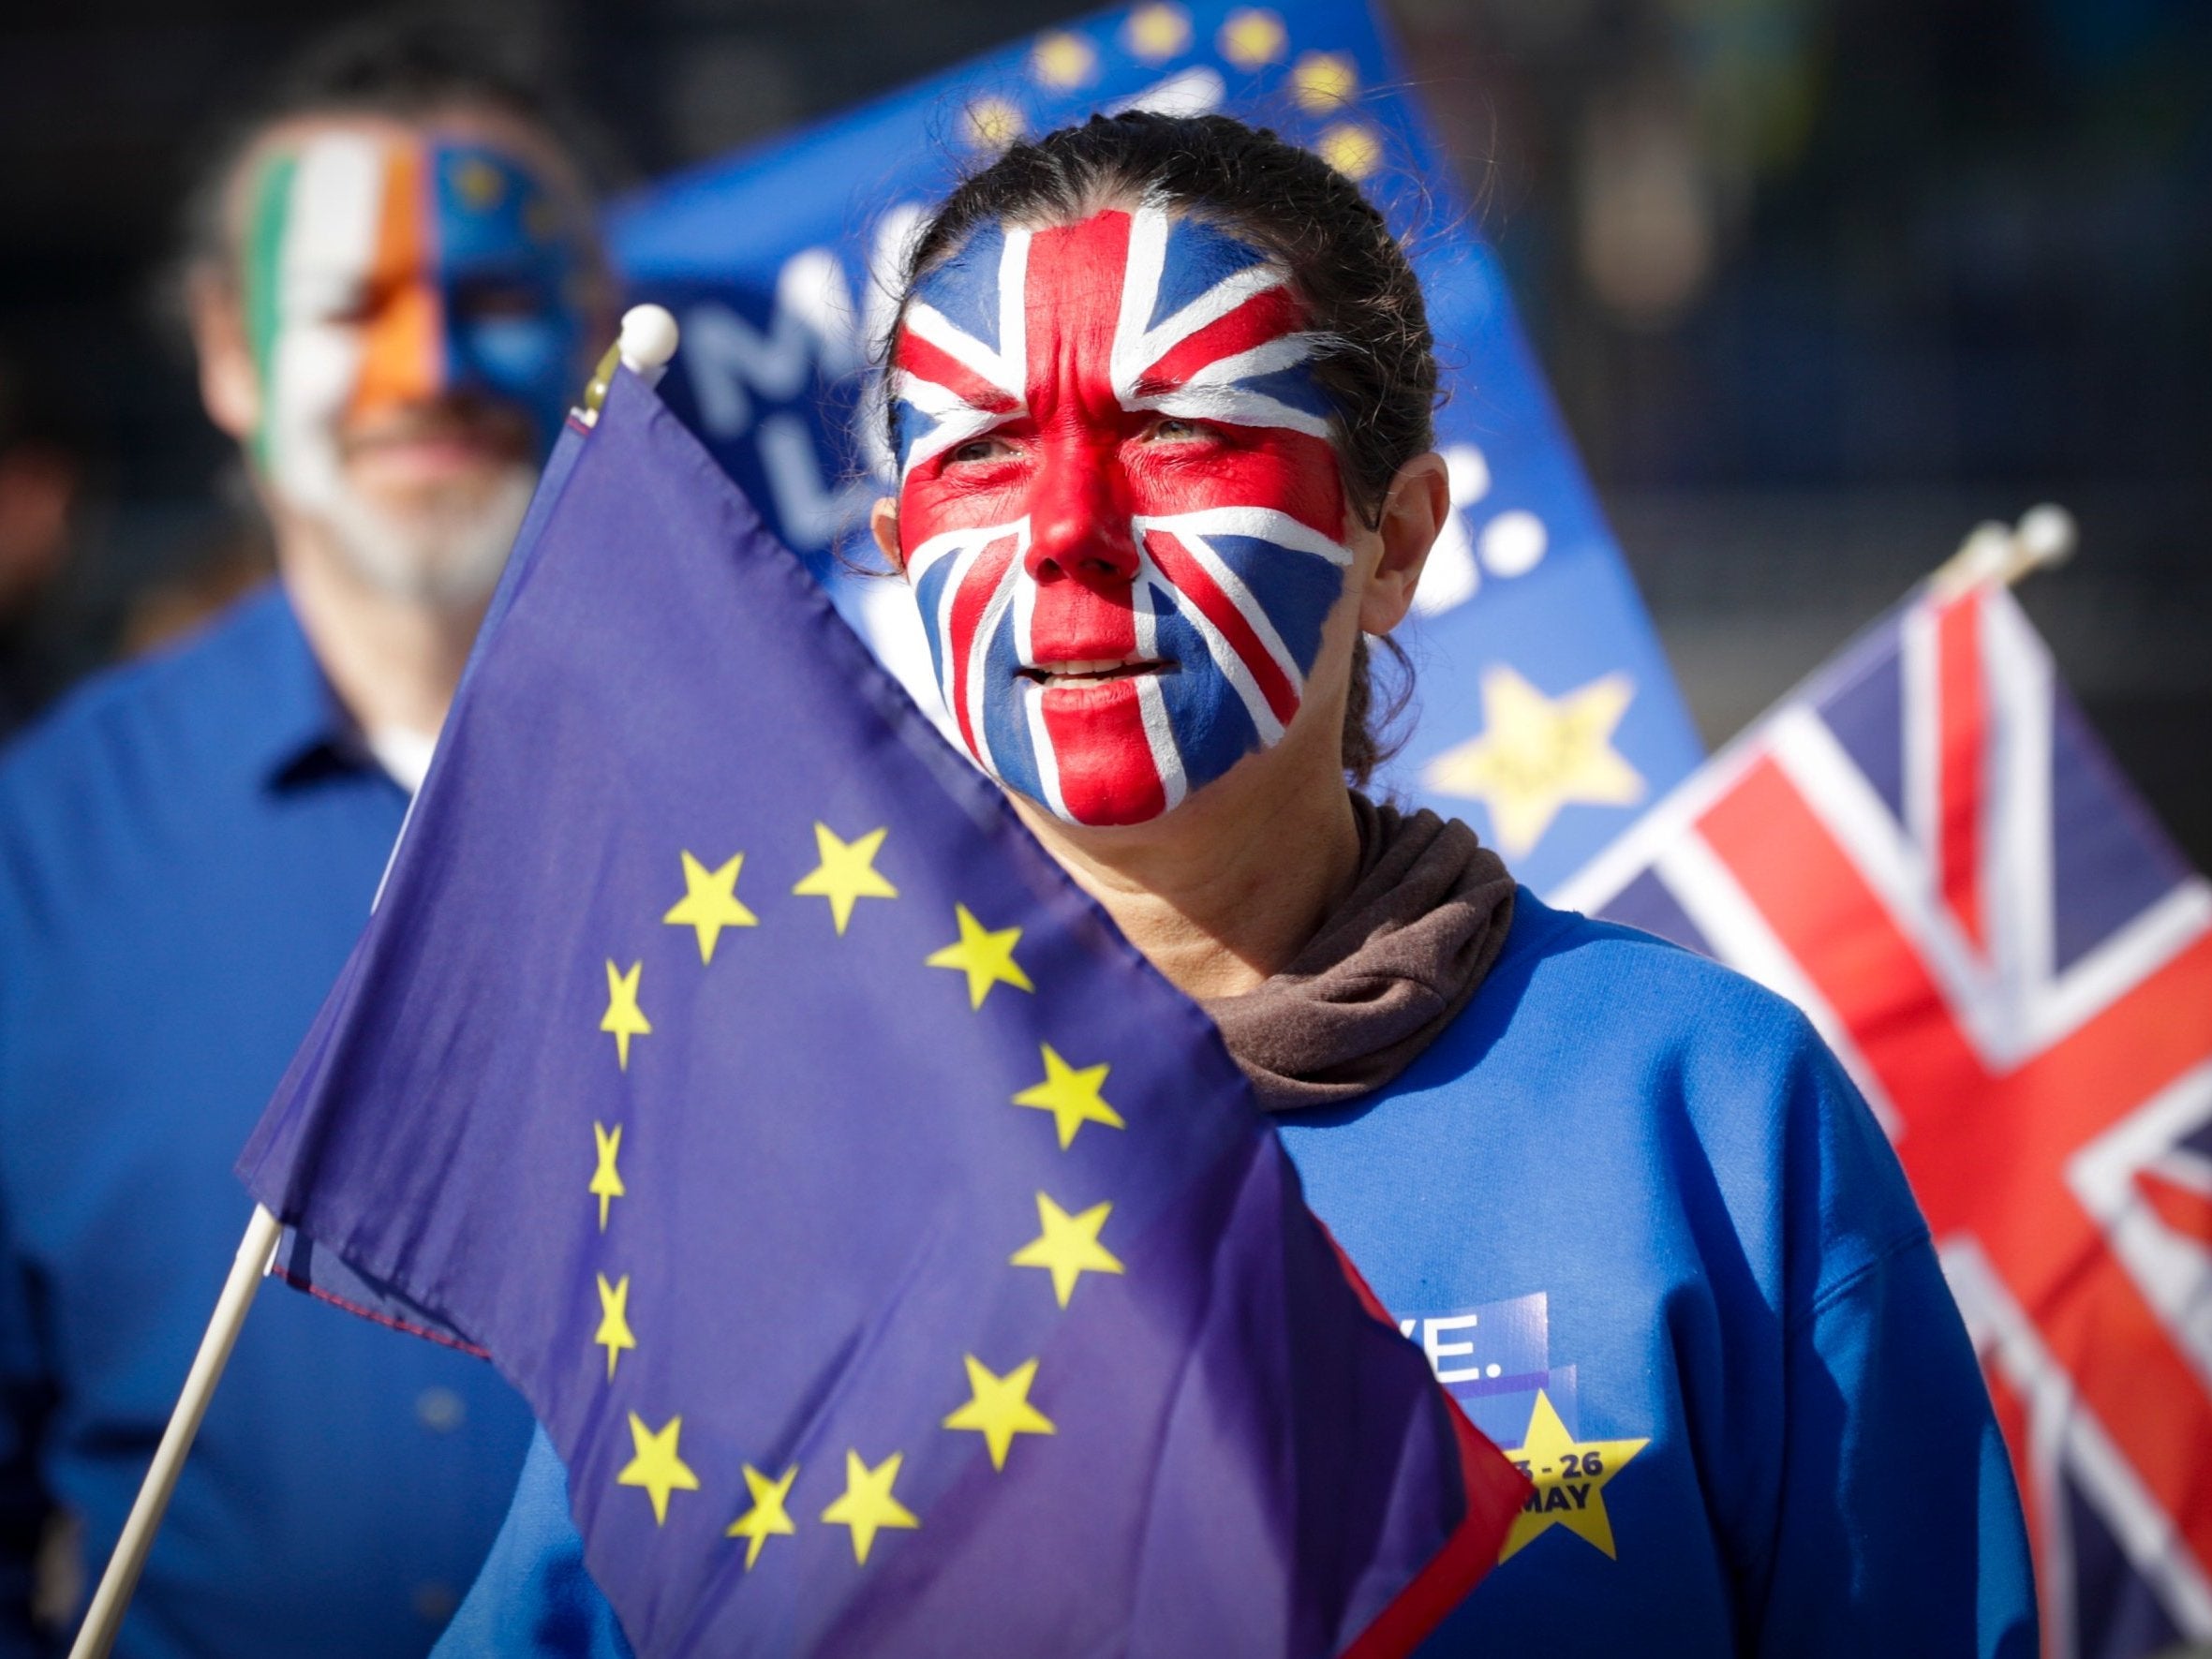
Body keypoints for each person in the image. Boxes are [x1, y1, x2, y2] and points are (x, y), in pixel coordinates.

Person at [434, 111, 2037, 1654]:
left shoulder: (1696, 1106)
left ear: (1394, 539)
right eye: (986, 451)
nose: (1070, 533)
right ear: (899, 546)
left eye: (1180, 437)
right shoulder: (743, 1152)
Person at [0, 21, 616, 1656]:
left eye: (488, 300)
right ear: (226, 352)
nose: (428, 372)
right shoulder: (38, 853)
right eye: (351, 309)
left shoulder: (831, 782)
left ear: (589, 326)